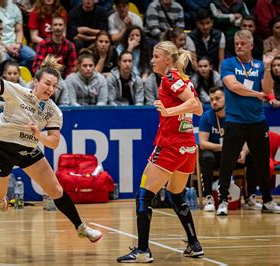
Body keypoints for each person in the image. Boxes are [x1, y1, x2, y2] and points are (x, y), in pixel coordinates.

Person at [0, 37, 103, 243]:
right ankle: (0, 197)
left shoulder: (54, 111)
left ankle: (81, 226)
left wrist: (39, 136)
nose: (50, 89)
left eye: (54, 86)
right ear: (36, 82)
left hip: (28, 148)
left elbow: (53, 143)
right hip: (1, 147)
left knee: (56, 189)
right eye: (47, 83)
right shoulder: (16, 91)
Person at [117, 41, 204, 263]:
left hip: (170, 146)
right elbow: (199, 108)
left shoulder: (171, 78)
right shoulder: (185, 80)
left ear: (168, 59)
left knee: (143, 195)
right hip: (187, 148)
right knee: (176, 196)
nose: (153, 60)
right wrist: (173, 110)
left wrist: (168, 111)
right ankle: (194, 244)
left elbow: (195, 104)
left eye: (156, 56)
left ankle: (143, 250)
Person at [217, 30, 280, 216]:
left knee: (262, 162)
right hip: (235, 121)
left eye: (242, 43)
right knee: (227, 162)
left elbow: (268, 88)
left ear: (251, 45)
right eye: (236, 43)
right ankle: (222, 200)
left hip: (257, 121)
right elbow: (233, 86)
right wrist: (256, 94)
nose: (238, 46)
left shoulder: (260, 65)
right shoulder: (228, 64)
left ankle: (267, 200)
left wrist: (268, 67)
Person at [198, 86, 261, 212]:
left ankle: (250, 198)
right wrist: (225, 147)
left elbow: (248, 140)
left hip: (234, 155)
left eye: (217, 98)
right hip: (216, 155)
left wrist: (243, 152)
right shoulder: (206, 117)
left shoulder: (237, 115)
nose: (214, 102)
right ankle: (209, 198)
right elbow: (203, 143)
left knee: (253, 154)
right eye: (211, 100)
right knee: (206, 157)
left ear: (226, 98)